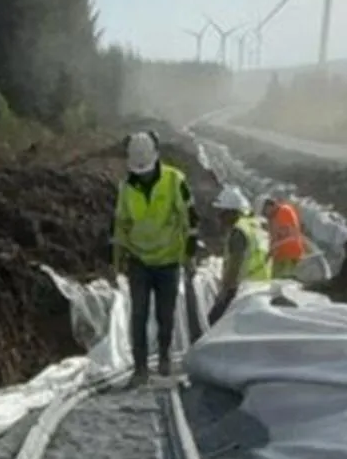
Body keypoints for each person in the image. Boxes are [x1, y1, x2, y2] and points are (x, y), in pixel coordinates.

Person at [112, 130, 198, 383]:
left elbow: (190, 220)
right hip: (139, 261)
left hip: (169, 261)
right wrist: (117, 258)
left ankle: (163, 357)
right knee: (138, 314)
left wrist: (189, 255)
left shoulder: (175, 181)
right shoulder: (126, 187)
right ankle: (140, 368)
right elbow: (121, 225)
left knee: (165, 314)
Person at [207, 190, 271, 326]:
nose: (219, 217)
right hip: (263, 285)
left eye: (222, 212)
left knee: (215, 320)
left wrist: (224, 293)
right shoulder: (256, 226)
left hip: (242, 288)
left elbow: (235, 265)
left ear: (232, 212)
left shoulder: (239, 232)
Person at [263, 195, 308, 278]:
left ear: (270, 206)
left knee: (284, 282)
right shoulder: (273, 217)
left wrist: (274, 247)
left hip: (289, 255)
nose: (265, 214)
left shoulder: (284, 212)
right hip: (280, 256)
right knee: (275, 280)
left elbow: (288, 234)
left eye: (265, 211)